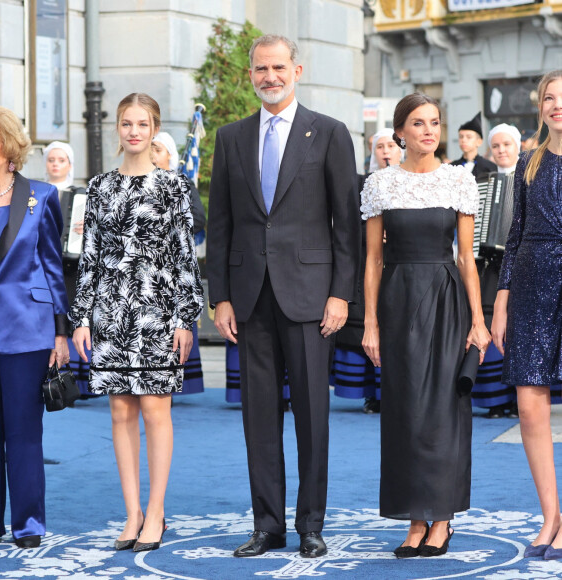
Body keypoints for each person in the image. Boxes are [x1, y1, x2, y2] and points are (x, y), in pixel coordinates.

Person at [207, 34, 360, 559]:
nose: (269, 76)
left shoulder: (331, 133)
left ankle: (310, 525)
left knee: (313, 417)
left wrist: (342, 295)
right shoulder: (230, 138)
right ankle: (267, 525)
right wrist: (220, 297)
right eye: (260, 69)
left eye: (278, 67)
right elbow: (221, 223)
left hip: (313, 299)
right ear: (250, 74)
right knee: (258, 416)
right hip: (249, 299)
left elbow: (347, 226)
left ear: (297, 70)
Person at [70, 93, 203, 552]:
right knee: (121, 409)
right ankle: (132, 514)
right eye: (126, 124)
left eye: (142, 124)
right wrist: (81, 316)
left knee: (154, 408)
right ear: (118, 130)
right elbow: (89, 258)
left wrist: (187, 316)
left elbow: (185, 256)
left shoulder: (173, 187)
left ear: (154, 128)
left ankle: (157, 513)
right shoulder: (100, 186)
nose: (133, 131)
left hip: (159, 311)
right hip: (109, 309)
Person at [362, 93, 491, 558]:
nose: (428, 131)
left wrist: (479, 320)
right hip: (397, 302)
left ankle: (442, 518)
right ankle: (414, 519)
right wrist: (371, 324)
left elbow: (467, 259)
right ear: (401, 131)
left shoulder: (458, 181)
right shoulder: (380, 185)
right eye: (418, 123)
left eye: (434, 123)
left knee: (441, 413)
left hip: (445, 300)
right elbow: (373, 261)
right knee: (403, 412)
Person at [0, 106, 69, 549]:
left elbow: (54, 268)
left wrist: (60, 332)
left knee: (22, 431)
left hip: (27, 329)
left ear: (9, 148)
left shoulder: (41, 196)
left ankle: (29, 524)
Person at [492, 70, 562, 560]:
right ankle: (550, 516)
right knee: (529, 402)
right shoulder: (528, 163)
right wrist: (501, 300)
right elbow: (514, 237)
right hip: (534, 284)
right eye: (549, 98)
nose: (556, 105)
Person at [331, 128, 402, 413]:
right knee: (366, 327)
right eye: (380, 146)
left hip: (401, 266)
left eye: (391, 145)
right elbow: (349, 224)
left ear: (401, 150)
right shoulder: (362, 184)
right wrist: (372, 234)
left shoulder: (412, 180)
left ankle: (397, 393)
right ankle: (371, 394)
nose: (385, 151)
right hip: (368, 266)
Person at [471, 124, 522, 418]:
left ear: (517, 147)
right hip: (491, 267)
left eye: (507, 145)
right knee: (491, 325)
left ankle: (519, 398)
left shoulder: (530, 178)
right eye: (497, 146)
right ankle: (495, 398)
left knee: (519, 328)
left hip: (522, 266)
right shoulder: (482, 181)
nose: (502, 150)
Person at [151, 131, 205, 397]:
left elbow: (198, 217)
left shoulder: (182, 183)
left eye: (158, 149)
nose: (152, 154)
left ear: (170, 156)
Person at [43, 141, 92, 395]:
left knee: (71, 315)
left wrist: (86, 228)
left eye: (61, 160)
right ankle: (50, 373)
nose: (55, 165)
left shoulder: (79, 195)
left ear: (69, 165)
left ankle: (76, 380)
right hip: (43, 264)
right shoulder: (36, 192)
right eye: (51, 160)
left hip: (70, 267)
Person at [451, 112, 497, 181]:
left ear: (479, 142)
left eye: (469, 137)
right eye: (461, 137)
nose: (463, 140)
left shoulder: (490, 167)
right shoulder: (452, 167)